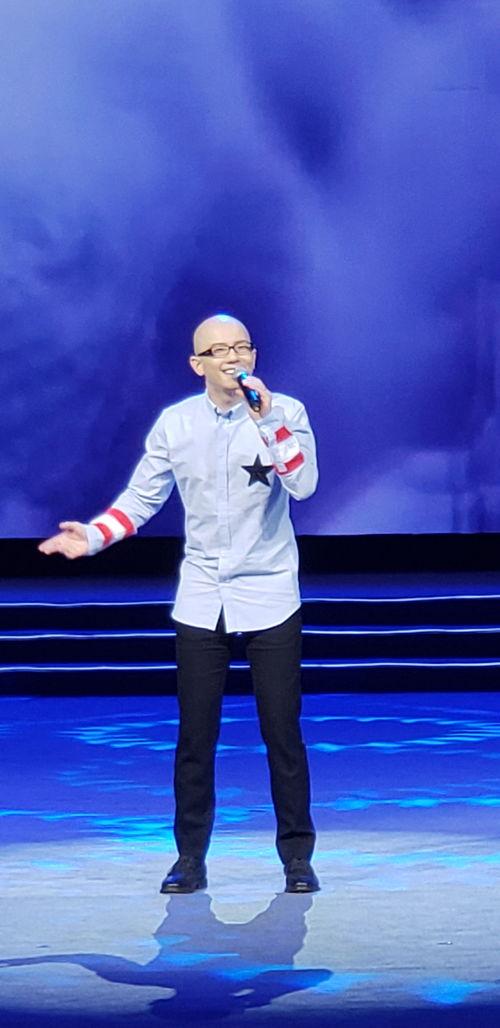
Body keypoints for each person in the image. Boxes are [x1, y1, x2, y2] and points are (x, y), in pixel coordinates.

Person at [39, 314, 320, 893]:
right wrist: (92, 537)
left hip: (269, 592)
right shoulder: (176, 424)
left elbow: (303, 484)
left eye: (242, 347)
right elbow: (141, 499)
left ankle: (297, 857)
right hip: (201, 598)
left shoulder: (285, 411)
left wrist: (268, 421)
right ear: (197, 364)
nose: (233, 358)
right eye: (220, 350)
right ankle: (190, 858)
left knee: (282, 733)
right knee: (195, 737)